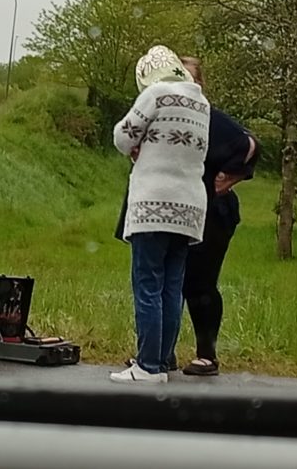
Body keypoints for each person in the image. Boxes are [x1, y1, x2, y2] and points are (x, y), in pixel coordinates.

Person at [110, 45, 210, 383]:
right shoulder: (201, 103)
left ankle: (147, 365)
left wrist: (140, 146)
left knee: (148, 285)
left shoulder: (155, 94)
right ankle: (163, 361)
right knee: (171, 287)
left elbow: (123, 137)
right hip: (190, 208)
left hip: (153, 204)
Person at [174, 56, 260, 376]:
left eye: (188, 79)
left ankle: (207, 356)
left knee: (200, 283)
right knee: (168, 281)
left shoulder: (210, 118)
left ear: (200, 85)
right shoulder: (166, 116)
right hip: (176, 208)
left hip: (213, 210)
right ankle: (160, 353)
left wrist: (230, 177)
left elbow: (250, 144)